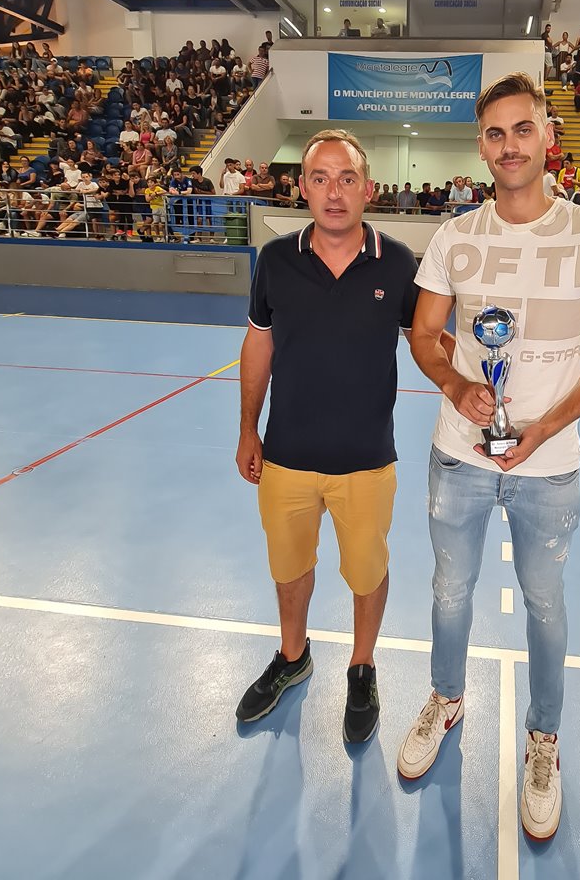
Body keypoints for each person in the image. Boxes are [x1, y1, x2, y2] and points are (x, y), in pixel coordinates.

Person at [397, 72, 580, 841]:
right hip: (459, 458)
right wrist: (457, 381)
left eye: (522, 130)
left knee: (545, 606)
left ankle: (544, 740)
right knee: (449, 593)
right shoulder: (455, 237)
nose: (509, 146)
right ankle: (445, 698)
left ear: (547, 138)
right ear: (482, 144)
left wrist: (544, 424)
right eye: (495, 133)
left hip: (549, 465)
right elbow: (423, 336)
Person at [235, 129, 427, 745]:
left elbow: (426, 340)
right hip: (287, 456)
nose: (334, 192)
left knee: (366, 572)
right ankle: (293, 657)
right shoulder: (275, 260)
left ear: (368, 189)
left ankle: (362, 666)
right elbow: (258, 342)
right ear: (302, 188)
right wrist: (248, 429)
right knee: (290, 570)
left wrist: (471, 380)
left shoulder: (397, 263)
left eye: (347, 179)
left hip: (367, 463)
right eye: (320, 178)